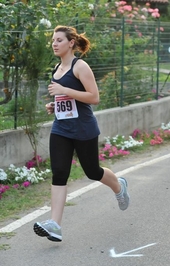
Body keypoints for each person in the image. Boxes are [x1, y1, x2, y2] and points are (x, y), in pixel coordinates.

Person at [33, 26, 130, 242]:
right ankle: (55, 225)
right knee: (59, 172)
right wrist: (54, 105)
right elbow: (67, 100)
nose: (54, 44)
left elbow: (93, 97)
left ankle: (119, 185)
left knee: (92, 171)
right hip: (61, 128)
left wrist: (64, 91)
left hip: (83, 129)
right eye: (53, 40)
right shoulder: (57, 69)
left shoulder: (80, 67)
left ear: (71, 43)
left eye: (59, 40)